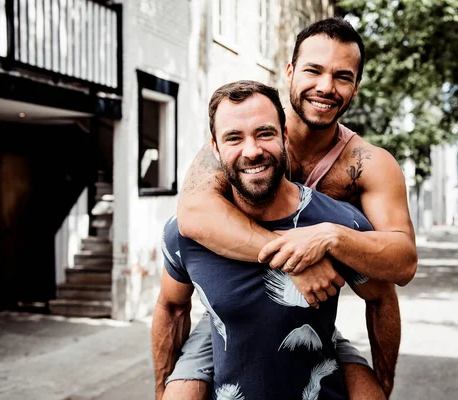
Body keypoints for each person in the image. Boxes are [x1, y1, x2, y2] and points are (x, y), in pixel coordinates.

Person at [169, 17, 417, 399]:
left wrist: (328, 237)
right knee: (180, 392)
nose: (325, 87)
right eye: (313, 70)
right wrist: (293, 259)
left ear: (356, 86)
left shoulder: (370, 165)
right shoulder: (250, 133)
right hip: (231, 310)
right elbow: (192, 214)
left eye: (342, 76)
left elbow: (402, 263)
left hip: (310, 311)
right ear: (290, 72)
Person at [154, 80, 386, 399]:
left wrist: (383, 383)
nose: (252, 151)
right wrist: (162, 388)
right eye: (234, 138)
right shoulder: (186, 233)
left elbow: (381, 297)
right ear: (215, 149)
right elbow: (171, 307)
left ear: (284, 136)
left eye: (265, 133)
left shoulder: (341, 222)